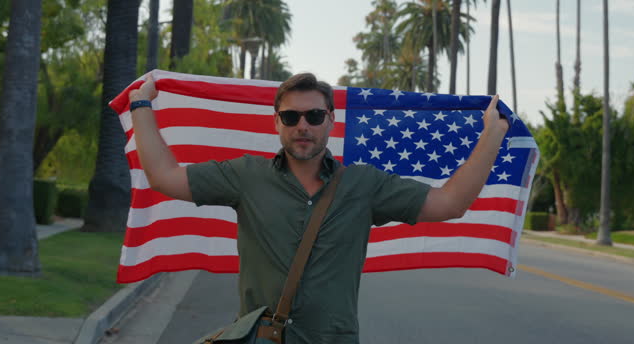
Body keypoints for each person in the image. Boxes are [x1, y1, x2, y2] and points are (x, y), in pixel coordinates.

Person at [129, 72, 509, 344]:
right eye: (291, 117)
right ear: (276, 123)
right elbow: (164, 176)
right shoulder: (246, 176)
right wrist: (141, 105)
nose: (303, 126)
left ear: (330, 120)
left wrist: (492, 134)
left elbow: (450, 203)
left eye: (314, 116)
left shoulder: (364, 185)